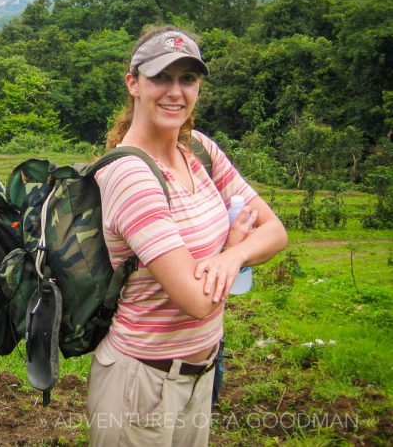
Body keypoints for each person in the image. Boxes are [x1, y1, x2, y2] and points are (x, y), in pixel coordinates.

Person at [88, 26, 288, 446]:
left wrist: (231, 258)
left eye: (187, 78)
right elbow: (195, 300)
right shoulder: (129, 174)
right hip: (142, 383)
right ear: (133, 83)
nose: (175, 91)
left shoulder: (198, 150)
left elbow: (275, 231)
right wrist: (235, 248)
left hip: (203, 371)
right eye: (161, 77)